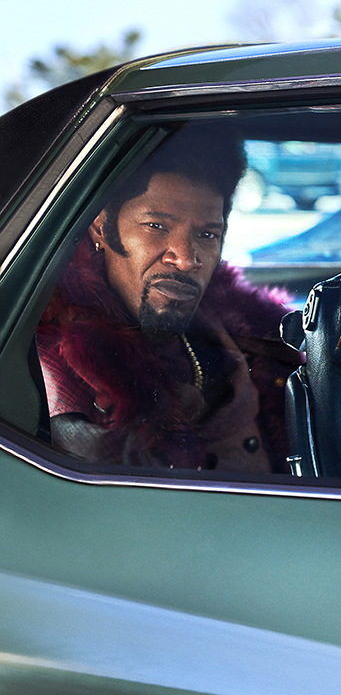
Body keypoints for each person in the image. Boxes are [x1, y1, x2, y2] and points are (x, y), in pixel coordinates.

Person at [36, 126, 303, 472]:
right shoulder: (59, 352)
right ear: (101, 227)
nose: (187, 258)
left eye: (207, 234)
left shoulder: (246, 325)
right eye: (156, 227)